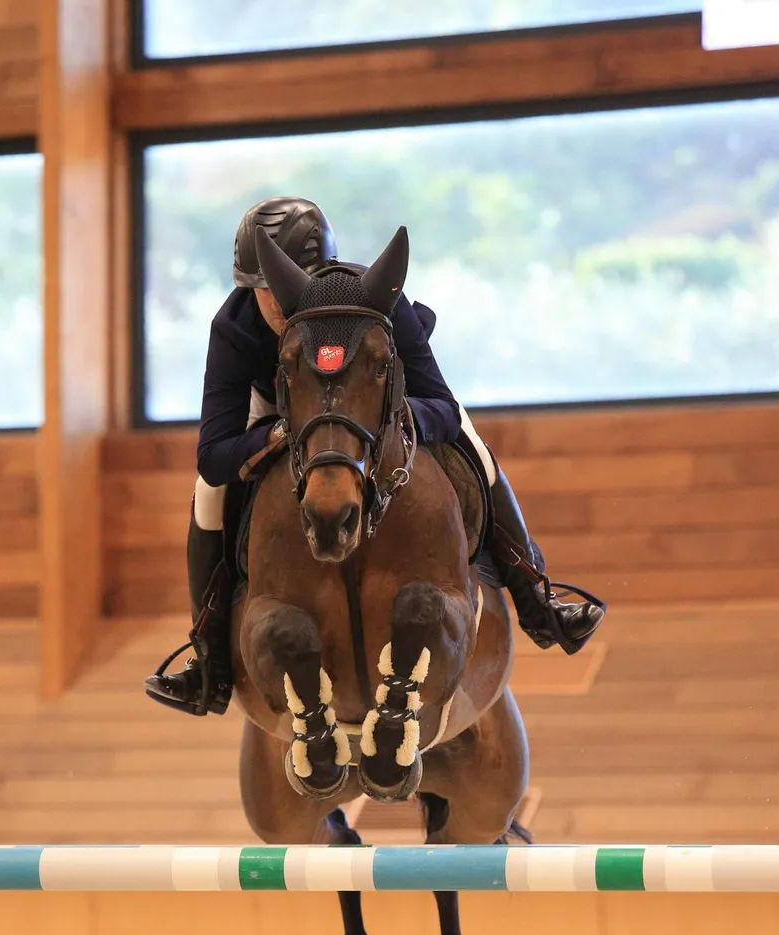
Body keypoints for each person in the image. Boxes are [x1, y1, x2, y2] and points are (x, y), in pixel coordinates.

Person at [144, 197, 604, 716]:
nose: (275, 303)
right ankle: (209, 656)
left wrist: (393, 423)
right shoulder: (235, 329)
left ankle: (535, 594)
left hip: (375, 407)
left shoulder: (374, 299)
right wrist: (277, 437)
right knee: (208, 493)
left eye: (287, 284)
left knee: (474, 443)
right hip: (279, 411)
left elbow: (443, 409)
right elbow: (213, 455)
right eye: (260, 288)